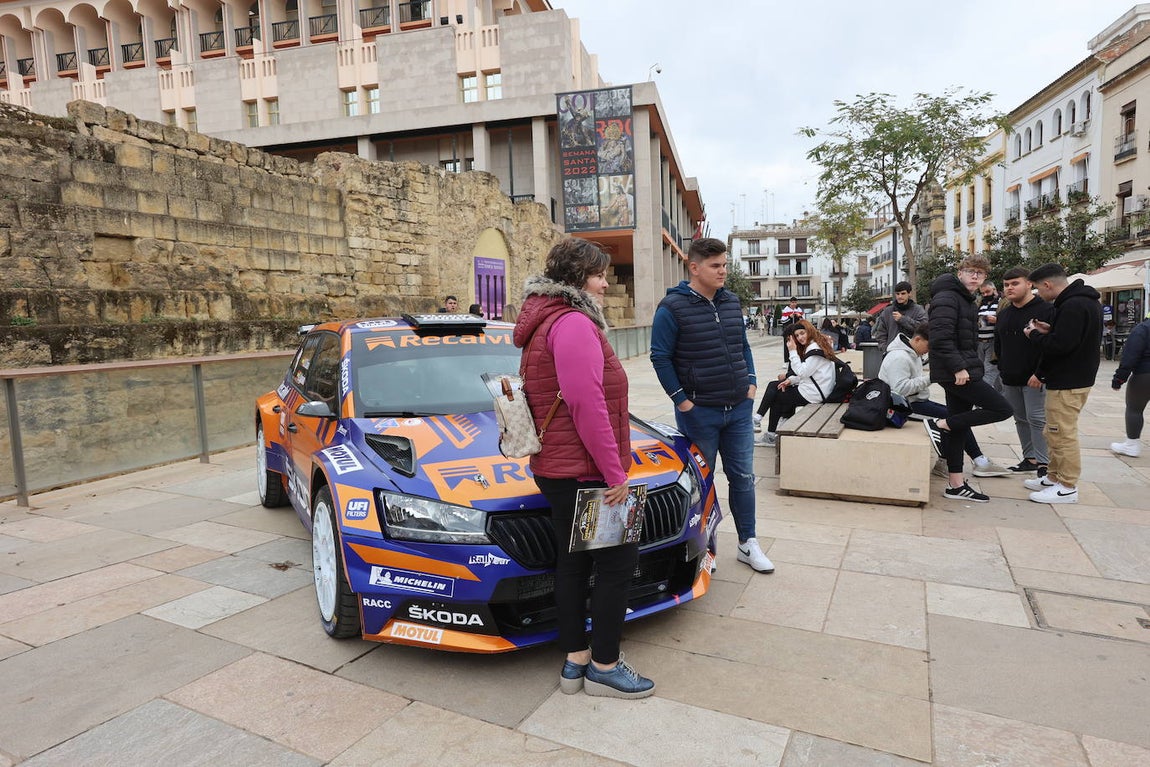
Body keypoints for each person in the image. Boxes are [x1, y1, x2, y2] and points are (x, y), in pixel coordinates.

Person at [514, 238, 654, 699]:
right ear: (577, 279)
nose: (604, 284)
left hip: (559, 467)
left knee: (571, 563)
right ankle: (605, 666)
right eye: (598, 275)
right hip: (587, 471)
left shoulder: (546, 320)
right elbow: (585, 403)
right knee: (616, 566)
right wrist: (615, 473)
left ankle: (574, 661)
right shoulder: (573, 323)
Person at [651, 237, 774, 574]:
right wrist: (682, 401)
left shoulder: (731, 302)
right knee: (702, 481)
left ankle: (748, 543)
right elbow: (660, 357)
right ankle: (706, 545)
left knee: (744, 478)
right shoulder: (671, 308)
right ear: (694, 267)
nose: (723, 271)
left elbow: (742, 345)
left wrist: (750, 381)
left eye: (725, 265)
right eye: (715, 266)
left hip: (737, 409)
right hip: (699, 412)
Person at [922, 256, 1014, 503]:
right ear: (960, 272)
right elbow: (940, 338)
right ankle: (937, 425)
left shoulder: (966, 300)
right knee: (1002, 408)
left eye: (980, 274)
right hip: (957, 372)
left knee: (959, 426)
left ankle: (955, 485)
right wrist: (959, 368)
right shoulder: (947, 298)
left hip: (962, 369)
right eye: (971, 271)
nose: (975, 277)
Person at [880, 322, 1010, 478]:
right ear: (918, 340)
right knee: (954, 418)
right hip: (904, 406)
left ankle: (961, 461)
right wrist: (932, 377)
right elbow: (900, 389)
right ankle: (976, 461)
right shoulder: (899, 357)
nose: (930, 350)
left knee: (956, 416)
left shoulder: (912, 353)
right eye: (929, 346)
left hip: (916, 401)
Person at [1022, 263, 1103, 504]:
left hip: (1069, 380)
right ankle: (1053, 477)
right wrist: (1050, 330)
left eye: (1037, 289)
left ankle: (1067, 486)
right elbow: (1071, 338)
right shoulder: (1082, 301)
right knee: (1053, 431)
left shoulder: (1073, 305)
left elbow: (1061, 346)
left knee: (1062, 433)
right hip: (1073, 377)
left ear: (1047, 285)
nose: (1038, 295)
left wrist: (1034, 335)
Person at [994, 267, 1055, 476]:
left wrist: (1041, 373)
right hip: (1010, 376)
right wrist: (1002, 369)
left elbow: (1052, 346)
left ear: (1029, 284)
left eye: (1015, 283)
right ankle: (1029, 459)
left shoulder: (1046, 310)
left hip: (1036, 377)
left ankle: (1044, 464)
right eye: (1006, 285)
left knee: (1037, 419)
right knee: (1020, 418)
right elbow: (999, 345)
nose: (1009, 288)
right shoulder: (1004, 314)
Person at [755, 319, 837, 446]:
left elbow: (802, 372)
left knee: (777, 394)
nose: (800, 338)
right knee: (778, 387)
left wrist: (792, 351)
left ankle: (766, 429)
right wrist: (790, 380)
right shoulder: (817, 345)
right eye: (797, 335)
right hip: (817, 389)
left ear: (809, 331)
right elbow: (809, 374)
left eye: (802, 333)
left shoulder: (814, 349)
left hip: (814, 394)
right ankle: (767, 426)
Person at [1111, 316, 1150, 457]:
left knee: (1134, 409)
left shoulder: (1143, 328)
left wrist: (1119, 378)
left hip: (1144, 374)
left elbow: (1130, 355)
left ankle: (1132, 445)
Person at [873, 281, 928, 356]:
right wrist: (885, 348)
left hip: (912, 354)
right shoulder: (887, 311)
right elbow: (880, 333)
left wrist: (903, 319)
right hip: (891, 353)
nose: (900, 296)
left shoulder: (918, 310)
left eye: (903, 293)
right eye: (897, 294)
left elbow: (923, 329)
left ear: (909, 294)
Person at [977, 279, 1002, 391]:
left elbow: (1008, 319)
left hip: (993, 341)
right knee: (985, 371)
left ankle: (981, 396)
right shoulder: (980, 303)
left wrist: (997, 320)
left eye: (987, 292)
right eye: (983, 293)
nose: (985, 295)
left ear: (994, 290)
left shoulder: (1002, 302)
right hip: (980, 342)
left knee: (990, 371)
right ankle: (1001, 397)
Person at [779, 297, 804, 363]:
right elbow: (783, 321)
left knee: (798, 345)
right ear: (790, 303)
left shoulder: (799, 310)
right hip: (788, 331)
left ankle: (798, 358)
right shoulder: (786, 310)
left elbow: (803, 321)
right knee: (787, 346)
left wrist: (800, 316)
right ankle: (786, 361)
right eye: (792, 302)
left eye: (795, 302)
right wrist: (789, 317)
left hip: (796, 332)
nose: (794, 304)